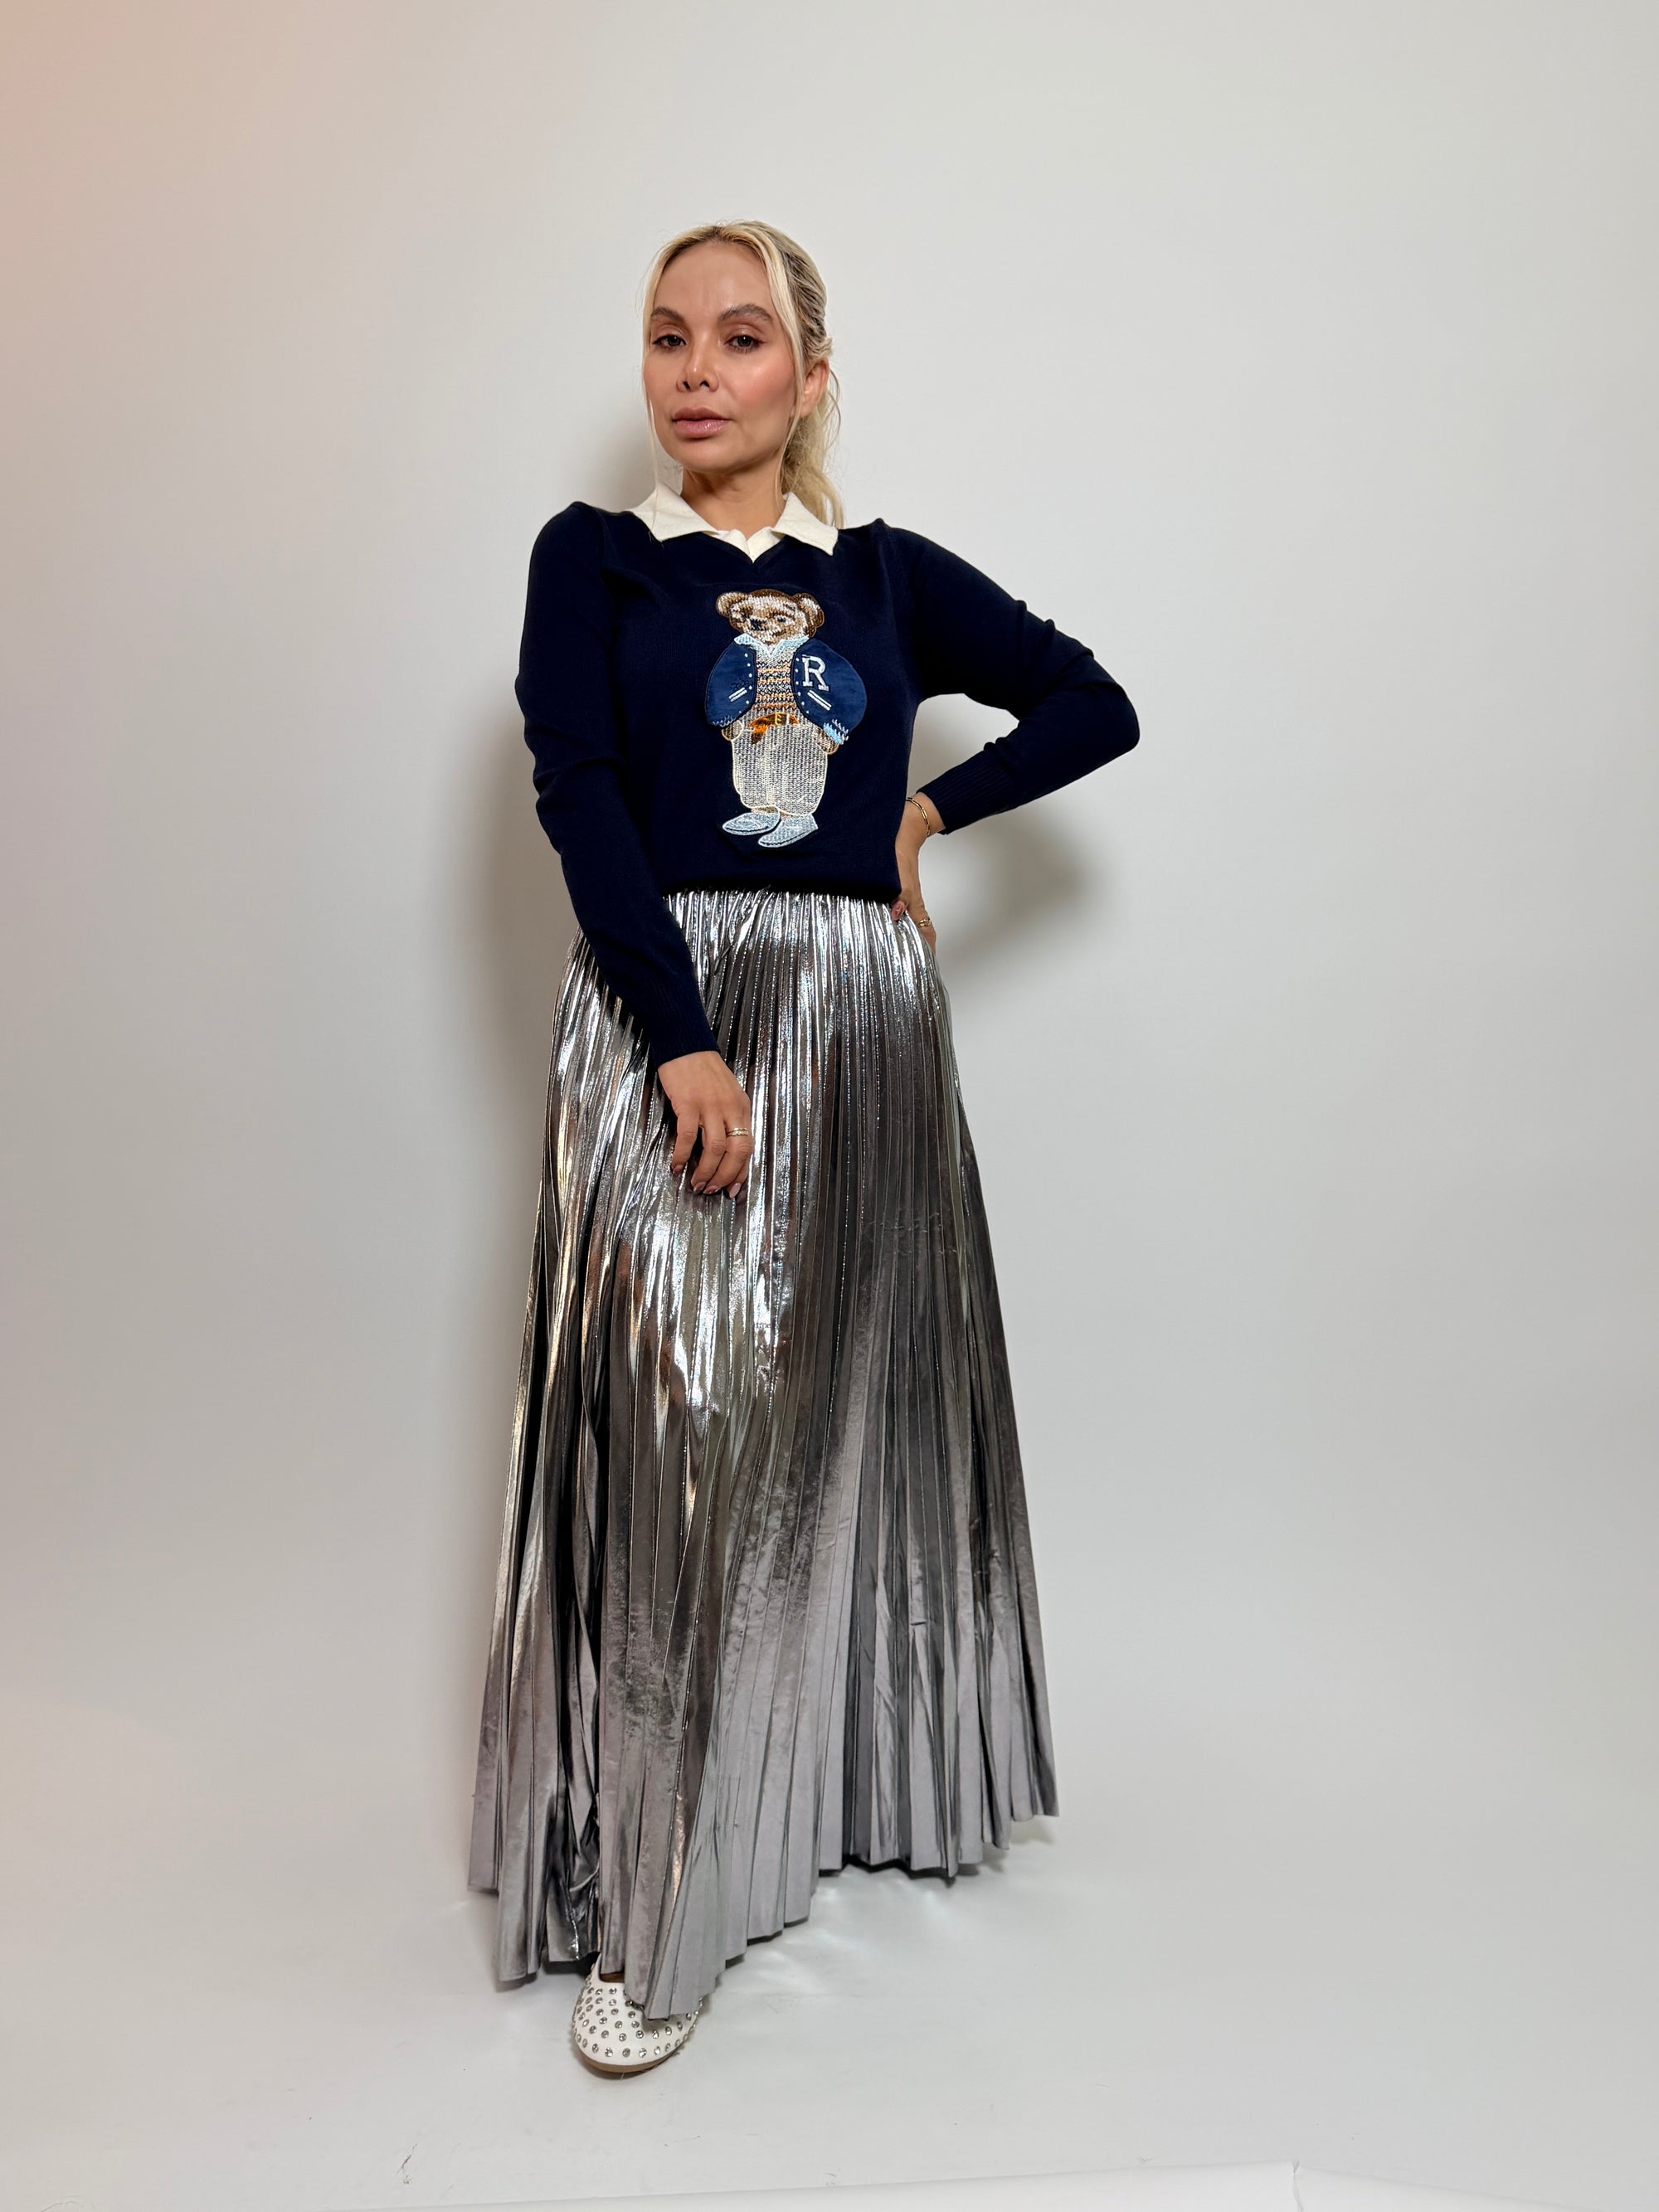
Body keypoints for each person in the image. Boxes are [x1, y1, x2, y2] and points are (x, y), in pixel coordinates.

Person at [469, 220, 1140, 2075]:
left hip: (860, 1024)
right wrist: (679, 1033)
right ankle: (657, 1898)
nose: (697, 369)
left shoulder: (887, 577)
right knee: (684, 1430)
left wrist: (927, 809)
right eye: (668, 335)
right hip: (668, 1009)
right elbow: (580, 790)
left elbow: (1096, 701)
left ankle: (811, 1804)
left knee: (829, 1416)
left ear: (810, 376)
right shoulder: (597, 557)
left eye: (742, 337)